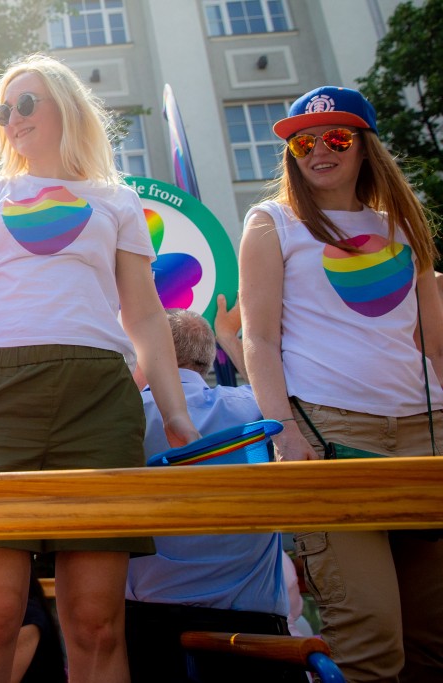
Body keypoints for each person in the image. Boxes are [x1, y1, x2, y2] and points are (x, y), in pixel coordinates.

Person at [0, 54, 199, 683]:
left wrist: (177, 411)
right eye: (4, 110)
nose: (13, 119)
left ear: (66, 108)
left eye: (27, 103)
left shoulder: (117, 199)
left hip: (97, 399)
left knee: (97, 621)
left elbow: (146, 316)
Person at [239, 86, 443, 682]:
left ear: (365, 146)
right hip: (331, 436)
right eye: (304, 141)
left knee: (432, 642)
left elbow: (434, 341)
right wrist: (287, 437)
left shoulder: (403, 224)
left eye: (336, 137)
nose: (318, 150)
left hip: (424, 436)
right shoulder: (271, 222)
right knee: (370, 641)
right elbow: (258, 340)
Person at [124, 309, 289, 681]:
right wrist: (230, 337)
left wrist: (141, 366)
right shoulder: (250, 407)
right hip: (255, 629)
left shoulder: (128, 416)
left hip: (152, 628)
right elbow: (285, 399)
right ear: (210, 358)